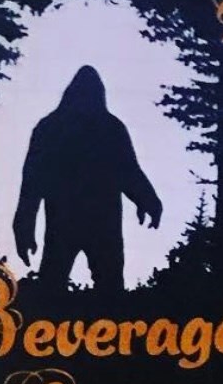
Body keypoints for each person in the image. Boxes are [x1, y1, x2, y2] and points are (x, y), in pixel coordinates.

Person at [13, 65, 163, 295]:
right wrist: (148, 201)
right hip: (98, 219)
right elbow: (128, 171)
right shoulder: (110, 127)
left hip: (68, 219)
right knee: (105, 285)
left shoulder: (50, 127)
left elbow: (32, 183)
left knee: (58, 283)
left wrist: (24, 224)